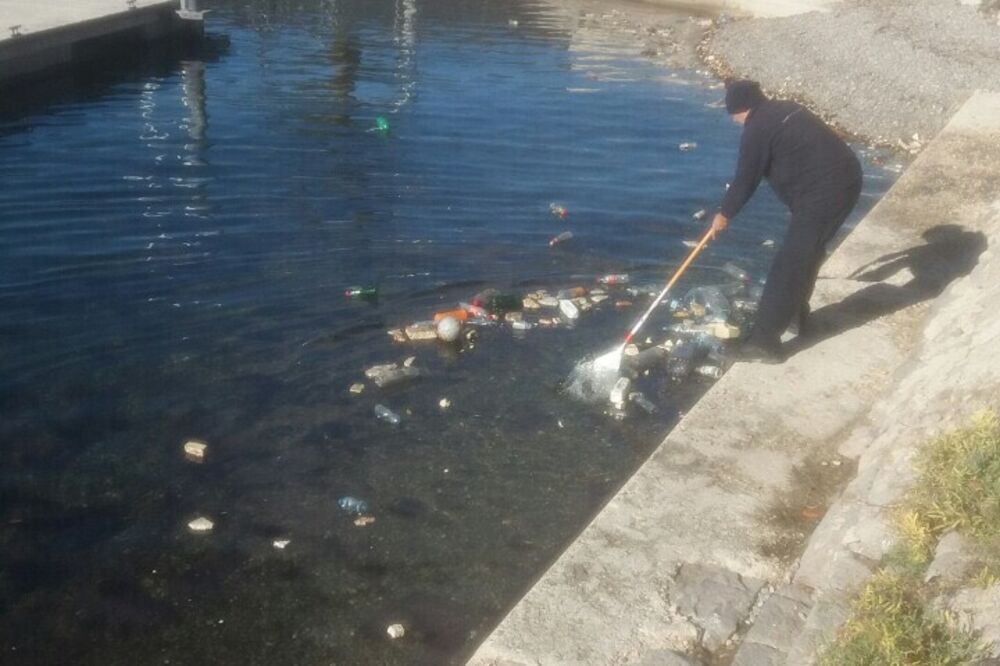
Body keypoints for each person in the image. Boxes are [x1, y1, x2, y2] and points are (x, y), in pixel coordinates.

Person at [710, 79, 863, 363]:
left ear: (742, 109)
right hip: (845, 181)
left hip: (827, 192)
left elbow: (746, 178)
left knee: (790, 262)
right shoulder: (783, 108)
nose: (734, 121)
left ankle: (763, 342)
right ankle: (795, 315)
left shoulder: (757, 127)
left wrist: (725, 214)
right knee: (807, 253)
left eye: (734, 115)